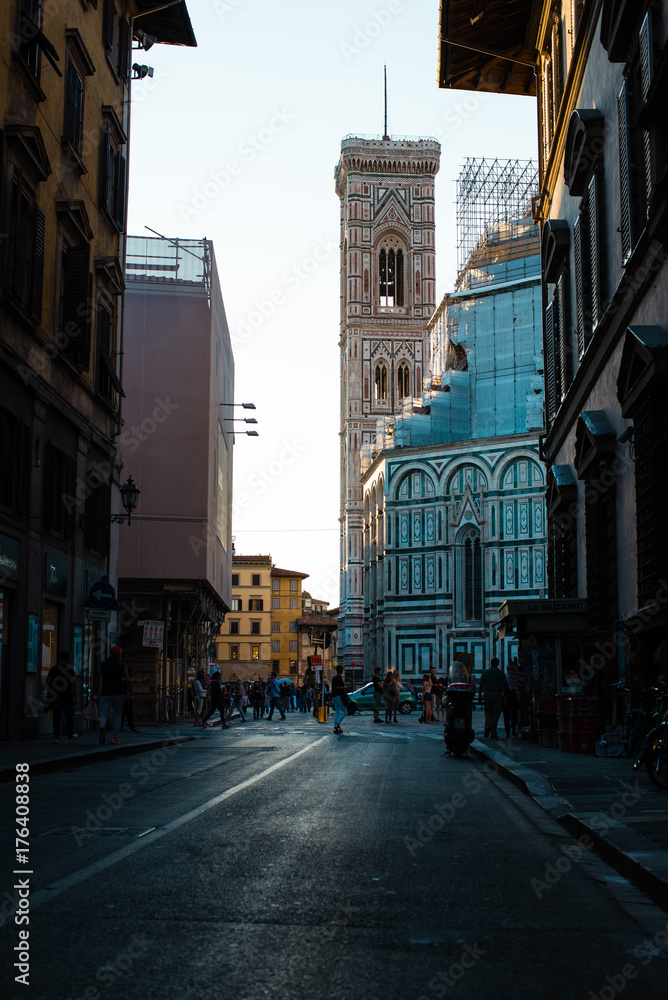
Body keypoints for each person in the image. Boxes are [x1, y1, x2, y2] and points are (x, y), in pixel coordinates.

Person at [95, 645, 131, 745]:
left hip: (105, 692)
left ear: (110, 653)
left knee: (103, 713)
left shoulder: (102, 664)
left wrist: (95, 691)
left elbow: (98, 678)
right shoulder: (122, 666)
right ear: (119, 654)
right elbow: (128, 680)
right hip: (118, 693)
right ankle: (114, 737)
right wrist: (130, 692)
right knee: (117, 715)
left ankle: (102, 726)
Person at [45, 650, 78, 743]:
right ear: (67, 658)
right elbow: (73, 685)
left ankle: (56, 737)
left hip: (56, 697)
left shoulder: (54, 670)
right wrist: (75, 697)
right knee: (69, 718)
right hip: (67, 697)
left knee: (56, 717)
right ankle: (70, 736)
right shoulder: (70, 671)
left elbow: (47, 682)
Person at [478, 657, 509, 738]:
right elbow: (505, 686)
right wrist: (506, 696)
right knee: (496, 712)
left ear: (491, 663)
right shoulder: (501, 673)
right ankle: (493, 731)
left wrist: (479, 695)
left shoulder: (485, 672)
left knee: (488, 711)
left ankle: (487, 726)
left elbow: (481, 684)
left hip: (487, 693)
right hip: (497, 694)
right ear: (497, 664)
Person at [120, 664, 139, 733]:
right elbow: (126, 690)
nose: (132, 674)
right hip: (126, 699)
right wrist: (130, 696)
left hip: (124, 698)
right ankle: (131, 727)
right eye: (131, 672)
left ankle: (122, 726)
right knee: (128, 714)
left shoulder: (123, 680)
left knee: (124, 713)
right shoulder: (126, 681)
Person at [331, 664, 346, 735]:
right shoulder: (339, 677)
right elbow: (338, 687)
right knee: (345, 711)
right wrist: (345, 688)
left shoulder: (334, 677)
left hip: (333, 696)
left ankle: (335, 727)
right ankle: (337, 725)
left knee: (338, 712)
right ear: (341, 670)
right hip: (338, 696)